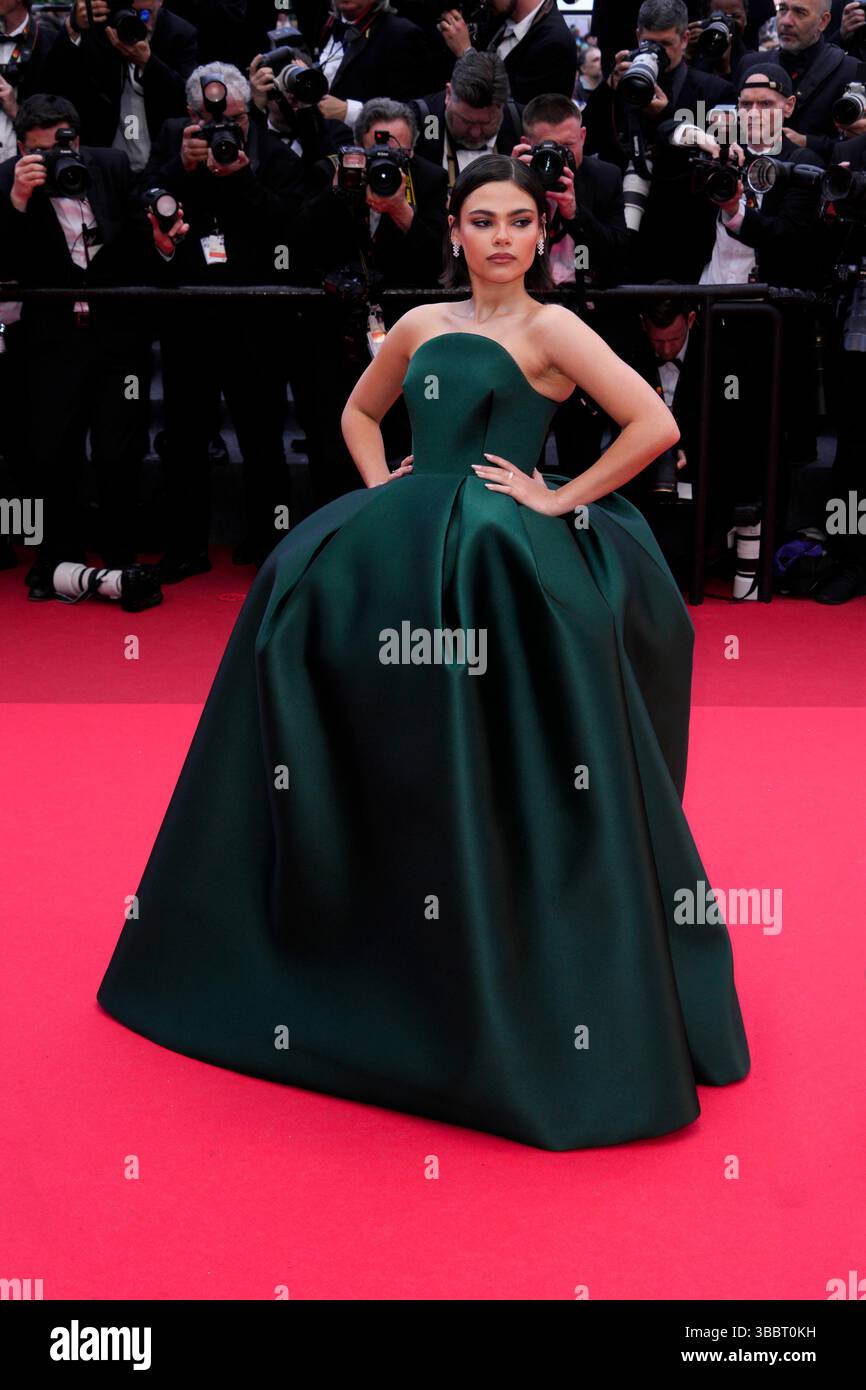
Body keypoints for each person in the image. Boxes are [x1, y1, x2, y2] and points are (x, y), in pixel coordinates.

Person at [96, 152, 750, 1151]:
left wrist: (553, 495)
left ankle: (498, 943)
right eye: (481, 219)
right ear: (454, 231)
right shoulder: (418, 325)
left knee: (486, 745)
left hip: (501, 552)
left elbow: (652, 423)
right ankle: (341, 932)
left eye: (518, 221)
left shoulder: (554, 326)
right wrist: (379, 491)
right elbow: (360, 412)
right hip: (406, 545)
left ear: (542, 234)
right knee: (301, 626)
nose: (499, 237)